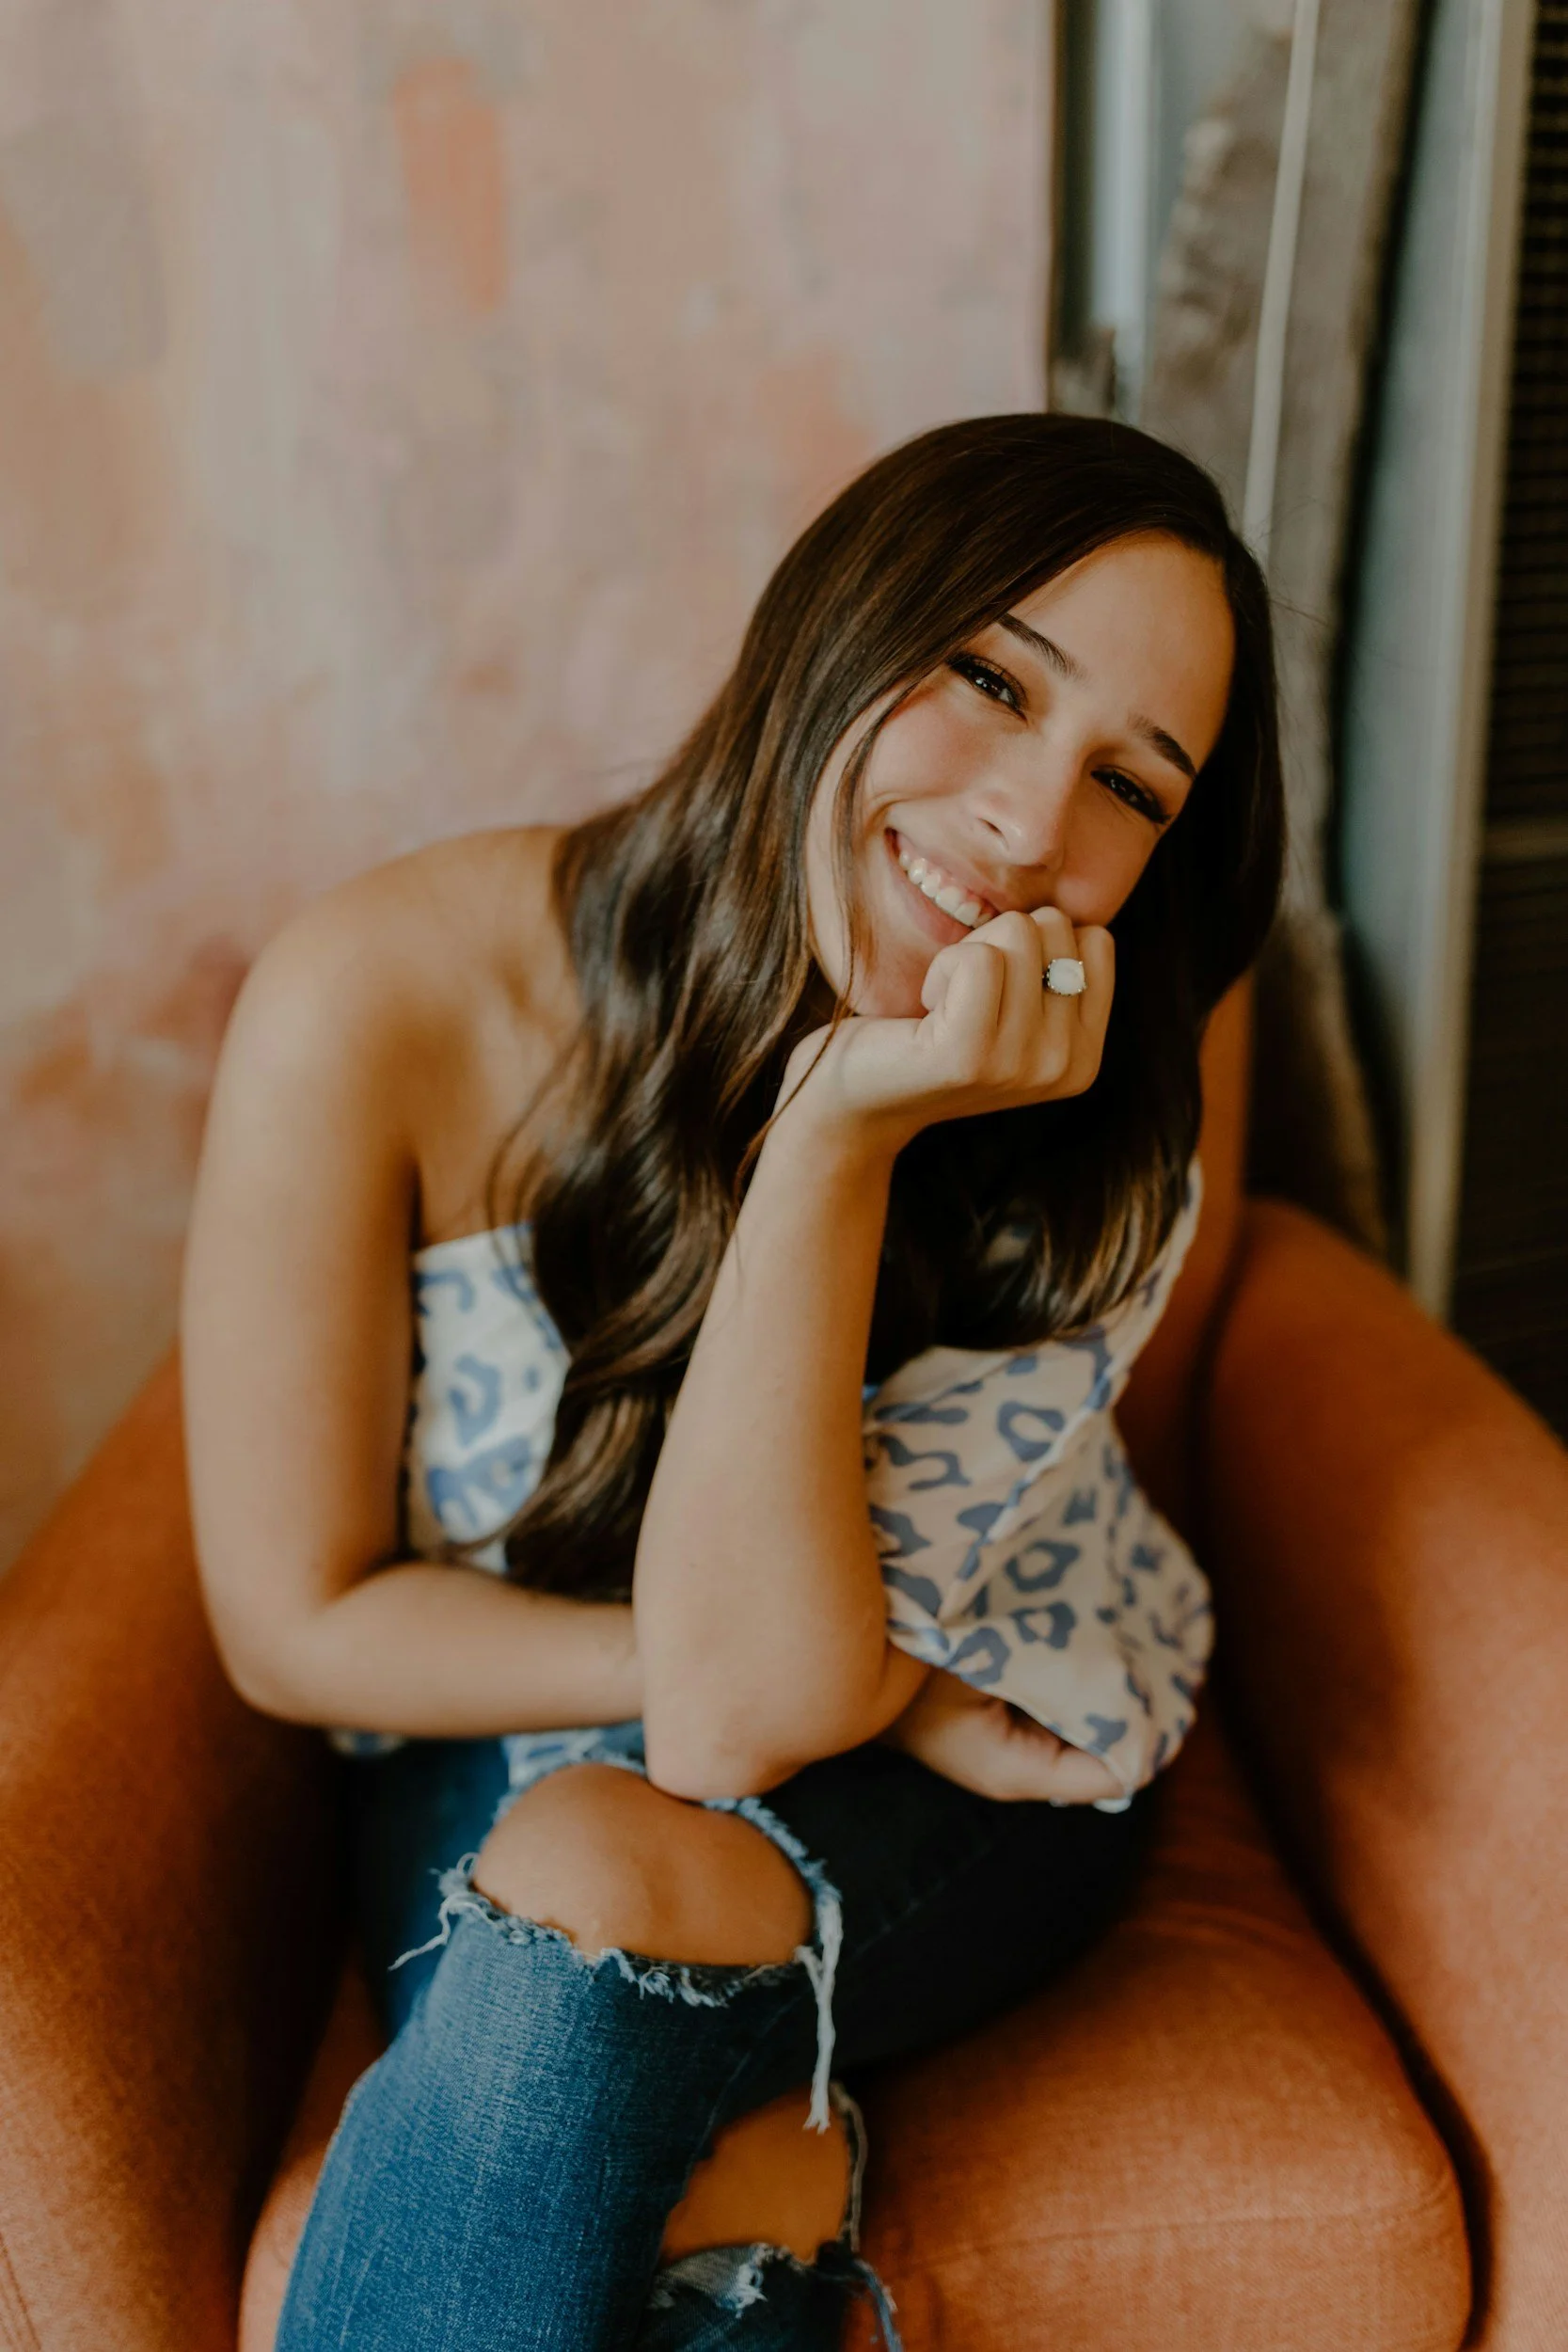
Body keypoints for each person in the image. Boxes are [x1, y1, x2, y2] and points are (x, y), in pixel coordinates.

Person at [181, 412, 1284, 2349]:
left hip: (981, 1768)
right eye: (984, 676)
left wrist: (841, 1135)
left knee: (603, 1857)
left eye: (1126, 781)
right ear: (833, 626)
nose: (1029, 822)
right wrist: (879, 1675)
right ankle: (773, 2153)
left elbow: (743, 1720)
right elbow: (298, 1626)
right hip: (565, 1717)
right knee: (726, 2152)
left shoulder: (1097, 1090)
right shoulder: (385, 990)